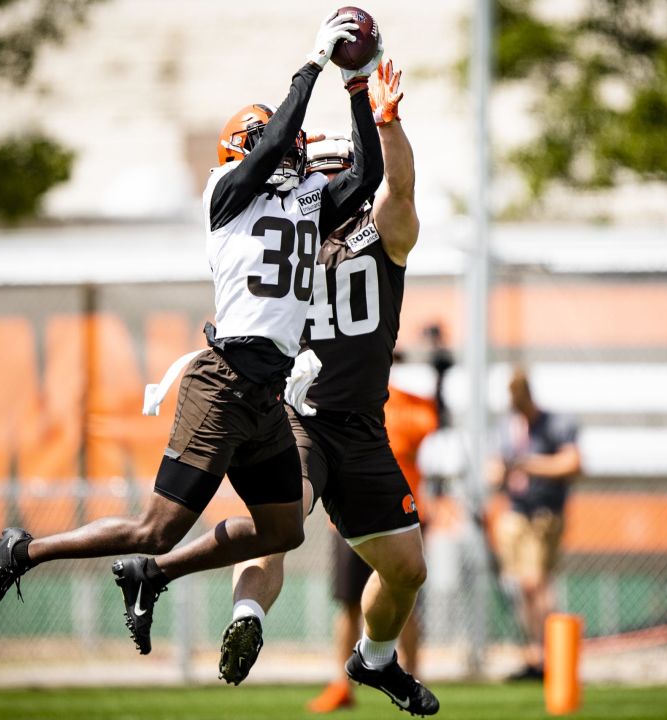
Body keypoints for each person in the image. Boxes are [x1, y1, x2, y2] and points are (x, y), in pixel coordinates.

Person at [0, 14, 385, 662]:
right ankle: (25, 550)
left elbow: (366, 178)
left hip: (266, 398)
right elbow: (273, 146)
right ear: (248, 148)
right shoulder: (227, 194)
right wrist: (312, 65)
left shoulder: (301, 200)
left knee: (282, 530)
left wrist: (357, 89)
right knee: (154, 528)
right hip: (220, 388)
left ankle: (149, 578)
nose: (297, 151)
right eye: (280, 142)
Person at [205, 60, 439, 716]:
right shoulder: (280, 240)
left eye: (337, 174)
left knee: (407, 569)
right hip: (296, 414)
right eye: (322, 173)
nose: (328, 186)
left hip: (363, 426)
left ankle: (375, 657)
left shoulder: (380, 236)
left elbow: (401, 194)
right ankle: (247, 612)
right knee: (276, 522)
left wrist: (386, 123)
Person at [307, 359, 438, 713]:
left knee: (404, 598)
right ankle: (340, 683)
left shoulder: (408, 402)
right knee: (348, 605)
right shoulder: (345, 397)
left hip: (399, 515)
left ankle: (410, 674)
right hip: (349, 519)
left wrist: (439, 382)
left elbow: (426, 430)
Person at [491, 367, 582, 681]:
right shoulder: (506, 427)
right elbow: (494, 472)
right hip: (516, 511)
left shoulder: (556, 423)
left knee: (537, 582)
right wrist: (502, 472)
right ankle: (534, 656)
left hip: (545, 512)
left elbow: (572, 463)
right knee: (522, 586)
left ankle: (552, 655)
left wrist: (528, 464)